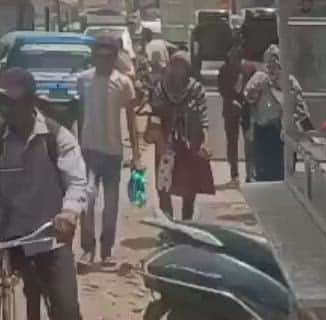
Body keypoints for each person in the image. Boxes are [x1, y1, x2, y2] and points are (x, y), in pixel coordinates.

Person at [0, 68, 87, 320]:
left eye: (12, 102)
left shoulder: (57, 137)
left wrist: (69, 211)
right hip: (7, 240)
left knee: (67, 310)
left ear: (30, 102)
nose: (6, 109)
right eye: (0, 102)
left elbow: (77, 182)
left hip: (49, 238)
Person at [76, 34, 141, 267]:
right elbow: (80, 115)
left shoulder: (124, 83)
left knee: (111, 205)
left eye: (108, 57)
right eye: (99, 56)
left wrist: (137, 154)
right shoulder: (83, 80)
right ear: (94, 57)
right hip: (88, 151)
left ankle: (106, 250)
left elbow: (132, 121)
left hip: (114, 152)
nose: (104, 61)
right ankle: (87, 249)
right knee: (87, 201)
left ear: (115, 58)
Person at [148, 52, 215, 220]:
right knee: (164, 187)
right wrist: (161, 143)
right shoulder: (160, 89)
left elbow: (203, 118)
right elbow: (155, 117)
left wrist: (205, 143)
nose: (178, 70)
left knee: (189, 189)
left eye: (182, 66)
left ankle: (187, 225)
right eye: (175, 65)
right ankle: (167, 225)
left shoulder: (196, 89)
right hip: (166, 146)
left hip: (190, 144)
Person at [243, 44, 311, 182]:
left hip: (283, 134)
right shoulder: (259, 79)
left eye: (275, 64)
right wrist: (257, 89)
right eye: (268, 64)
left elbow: (301, 111)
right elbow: (247, 100)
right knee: (263, 174)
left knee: (283, 174)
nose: (271, 68)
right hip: (263, 131)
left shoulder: (290, 82)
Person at [217, 42, 249, 184]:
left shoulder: (245, 70)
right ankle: (234, 173)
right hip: (231, 110)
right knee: (232, 142)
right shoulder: (225, 70)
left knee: (248, 142)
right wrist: (232, 100)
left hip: (244, 109)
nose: (234, 61)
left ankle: (249, 173)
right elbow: (222, 90)